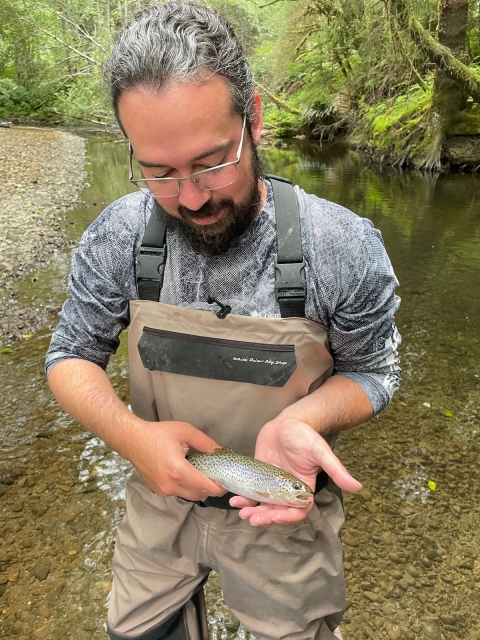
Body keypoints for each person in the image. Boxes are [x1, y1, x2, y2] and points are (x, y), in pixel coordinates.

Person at [45, 3, 401, 639]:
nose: (191, 197)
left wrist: (309, 417)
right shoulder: (120, 236)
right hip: (157, 503)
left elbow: (375, 369)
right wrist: (132, 438)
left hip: (283, 514)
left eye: (212, 162)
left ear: (254, 118)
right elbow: (69, 357)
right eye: (159, 172)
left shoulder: (339, 246)